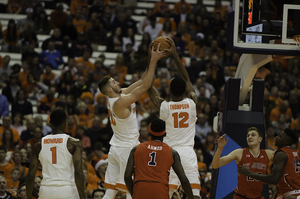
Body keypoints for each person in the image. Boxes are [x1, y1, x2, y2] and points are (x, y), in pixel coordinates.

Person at [97, 44, 167, 199]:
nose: (117, 83)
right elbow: (147, 86)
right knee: (131, 188)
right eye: (114, 82)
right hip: (126, 150)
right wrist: (154, 62)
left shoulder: (119, 94)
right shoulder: (119, 103)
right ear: (109, 89)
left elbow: (142, 80)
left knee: (110, 190)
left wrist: (152, 57)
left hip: (115, 148)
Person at [148, 37, 200, 198]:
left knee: (167, 193)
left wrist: (152, 60)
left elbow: (148, 86)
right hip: (187, 152)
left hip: (169, 152)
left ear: (169, 91)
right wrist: (176, 55)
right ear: (185, 91)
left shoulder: (164, 106)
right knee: (195, 194)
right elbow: (186, 79)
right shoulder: (191, 103)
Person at [125, 119, 194, 199]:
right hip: (160, 190)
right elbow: (184, 180)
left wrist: (134, 193)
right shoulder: (172, 153)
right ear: (165, 134)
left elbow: (127, 176)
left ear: (150, 133)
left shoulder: (136, 149)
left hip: (140, 189)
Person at [26, 109, 85, 199]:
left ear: (50, 123)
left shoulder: (39, 145)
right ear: (65, 123)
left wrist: (29, 197)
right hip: (67, 190)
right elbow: (78, 173)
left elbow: (30, 175)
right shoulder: (74, 143)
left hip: (46, 191)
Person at [212, 127, 274, 199]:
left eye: (253, 135)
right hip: (241, 197)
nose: (249, 137)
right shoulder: (240, 153)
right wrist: (220, 148)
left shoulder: (268, 154)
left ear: (260, 139)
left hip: (258, 197)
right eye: (248, 136)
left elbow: (285, 159)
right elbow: (215, 165)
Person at [238, 128, 300, 199]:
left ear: (285, 141)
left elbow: (274, 179)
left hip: (292, 194)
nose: (276, 137)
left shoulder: (281, 154)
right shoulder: (294, 153)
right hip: (295, 192)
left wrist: (249, 173)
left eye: (280, 137)